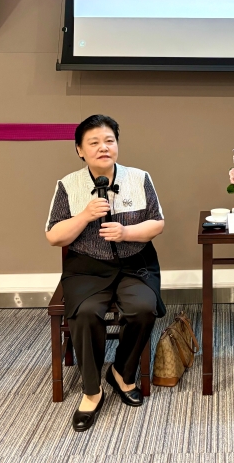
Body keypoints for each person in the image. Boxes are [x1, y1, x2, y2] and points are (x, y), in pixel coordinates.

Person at [45, 114, 166, 432]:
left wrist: (126, 233)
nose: (103, 147)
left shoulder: (139, 178)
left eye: (109, 141)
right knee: (85, 313)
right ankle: (91, 390)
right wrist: (84, 216)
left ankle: (121, 374)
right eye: (94, 142)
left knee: (143, 308)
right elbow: (54, 236)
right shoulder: (68, 185)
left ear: (117, 145)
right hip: (87, 267)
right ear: (79, 150)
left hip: (135, 263)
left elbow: (157, 223)